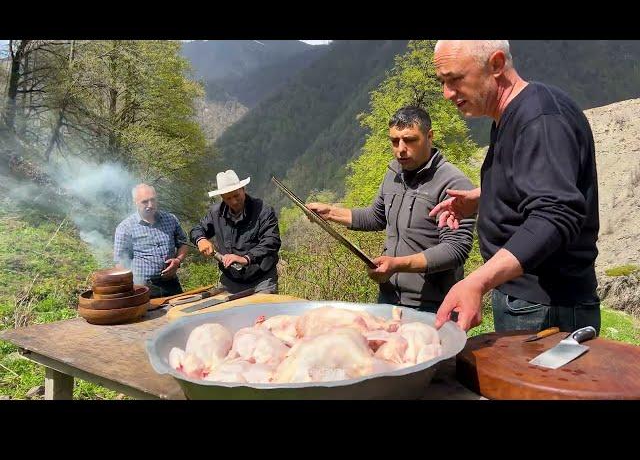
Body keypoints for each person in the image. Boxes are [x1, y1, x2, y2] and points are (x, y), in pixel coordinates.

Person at [430, 40, 600, 334]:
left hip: (546, 307)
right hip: (527, 300)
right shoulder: (510, 116)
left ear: (496, 65)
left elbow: (556, 213)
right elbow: (537, 180)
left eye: (455, 79)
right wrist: (482, 198)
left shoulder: (541, 120)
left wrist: (477, 281)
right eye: (442, 82)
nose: (447, 94)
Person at [307, 106, 476, 312]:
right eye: (394, 141)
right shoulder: (394, 172)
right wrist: (330, 213)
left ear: (429, 136)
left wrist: (396, 264)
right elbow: (376, 217)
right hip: (388, 300)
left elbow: (455, 250)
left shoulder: (453, 183)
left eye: (410, 139)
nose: (401, 149)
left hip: (434, 306)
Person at [190, 169, 281, 294]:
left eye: (236, 196)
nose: (233, 201)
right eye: (228, 198)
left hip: (262, 279)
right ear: (222, 197)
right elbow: (197, 229)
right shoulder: (215, 213)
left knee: (264, 313)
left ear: (243, 189)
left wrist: (246, 258)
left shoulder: (263, 211)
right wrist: (201, 240)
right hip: (231, 280)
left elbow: (272, 241)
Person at [114, 183, 189, 298]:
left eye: (153, 200)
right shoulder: (125, 227)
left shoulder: (171, 219)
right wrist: (129, 288)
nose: (150, 205)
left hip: (171, 283)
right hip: (143, 287)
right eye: (145, 202)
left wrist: (178, 261)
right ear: (135, 202)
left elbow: (183, 243)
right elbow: (120, 262)